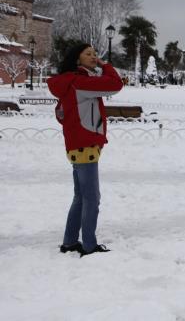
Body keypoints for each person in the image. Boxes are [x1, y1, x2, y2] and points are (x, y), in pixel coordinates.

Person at [47, 43, 123, 257]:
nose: (94, 57)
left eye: (95, 54)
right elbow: (115, 85)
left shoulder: (69, 81)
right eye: (88, 54)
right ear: (77, 59)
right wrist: (105, 64)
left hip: (76, 144)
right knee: (92, 198)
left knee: (80, 197)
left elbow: (61, 113)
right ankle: (89, 246)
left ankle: (70, 242)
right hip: (85, 145)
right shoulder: (80, 82)